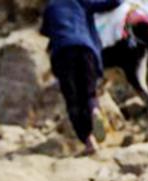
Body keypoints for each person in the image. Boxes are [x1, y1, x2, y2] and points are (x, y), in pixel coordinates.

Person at [41, 0, 123, 154]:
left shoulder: (51, 7)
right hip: (86, 50)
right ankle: (94, 111)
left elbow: (45, 31)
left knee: (74, 101)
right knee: (89, 93)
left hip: (63, 53)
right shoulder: (81, 2)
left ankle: (89, 140)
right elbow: (112, 3)